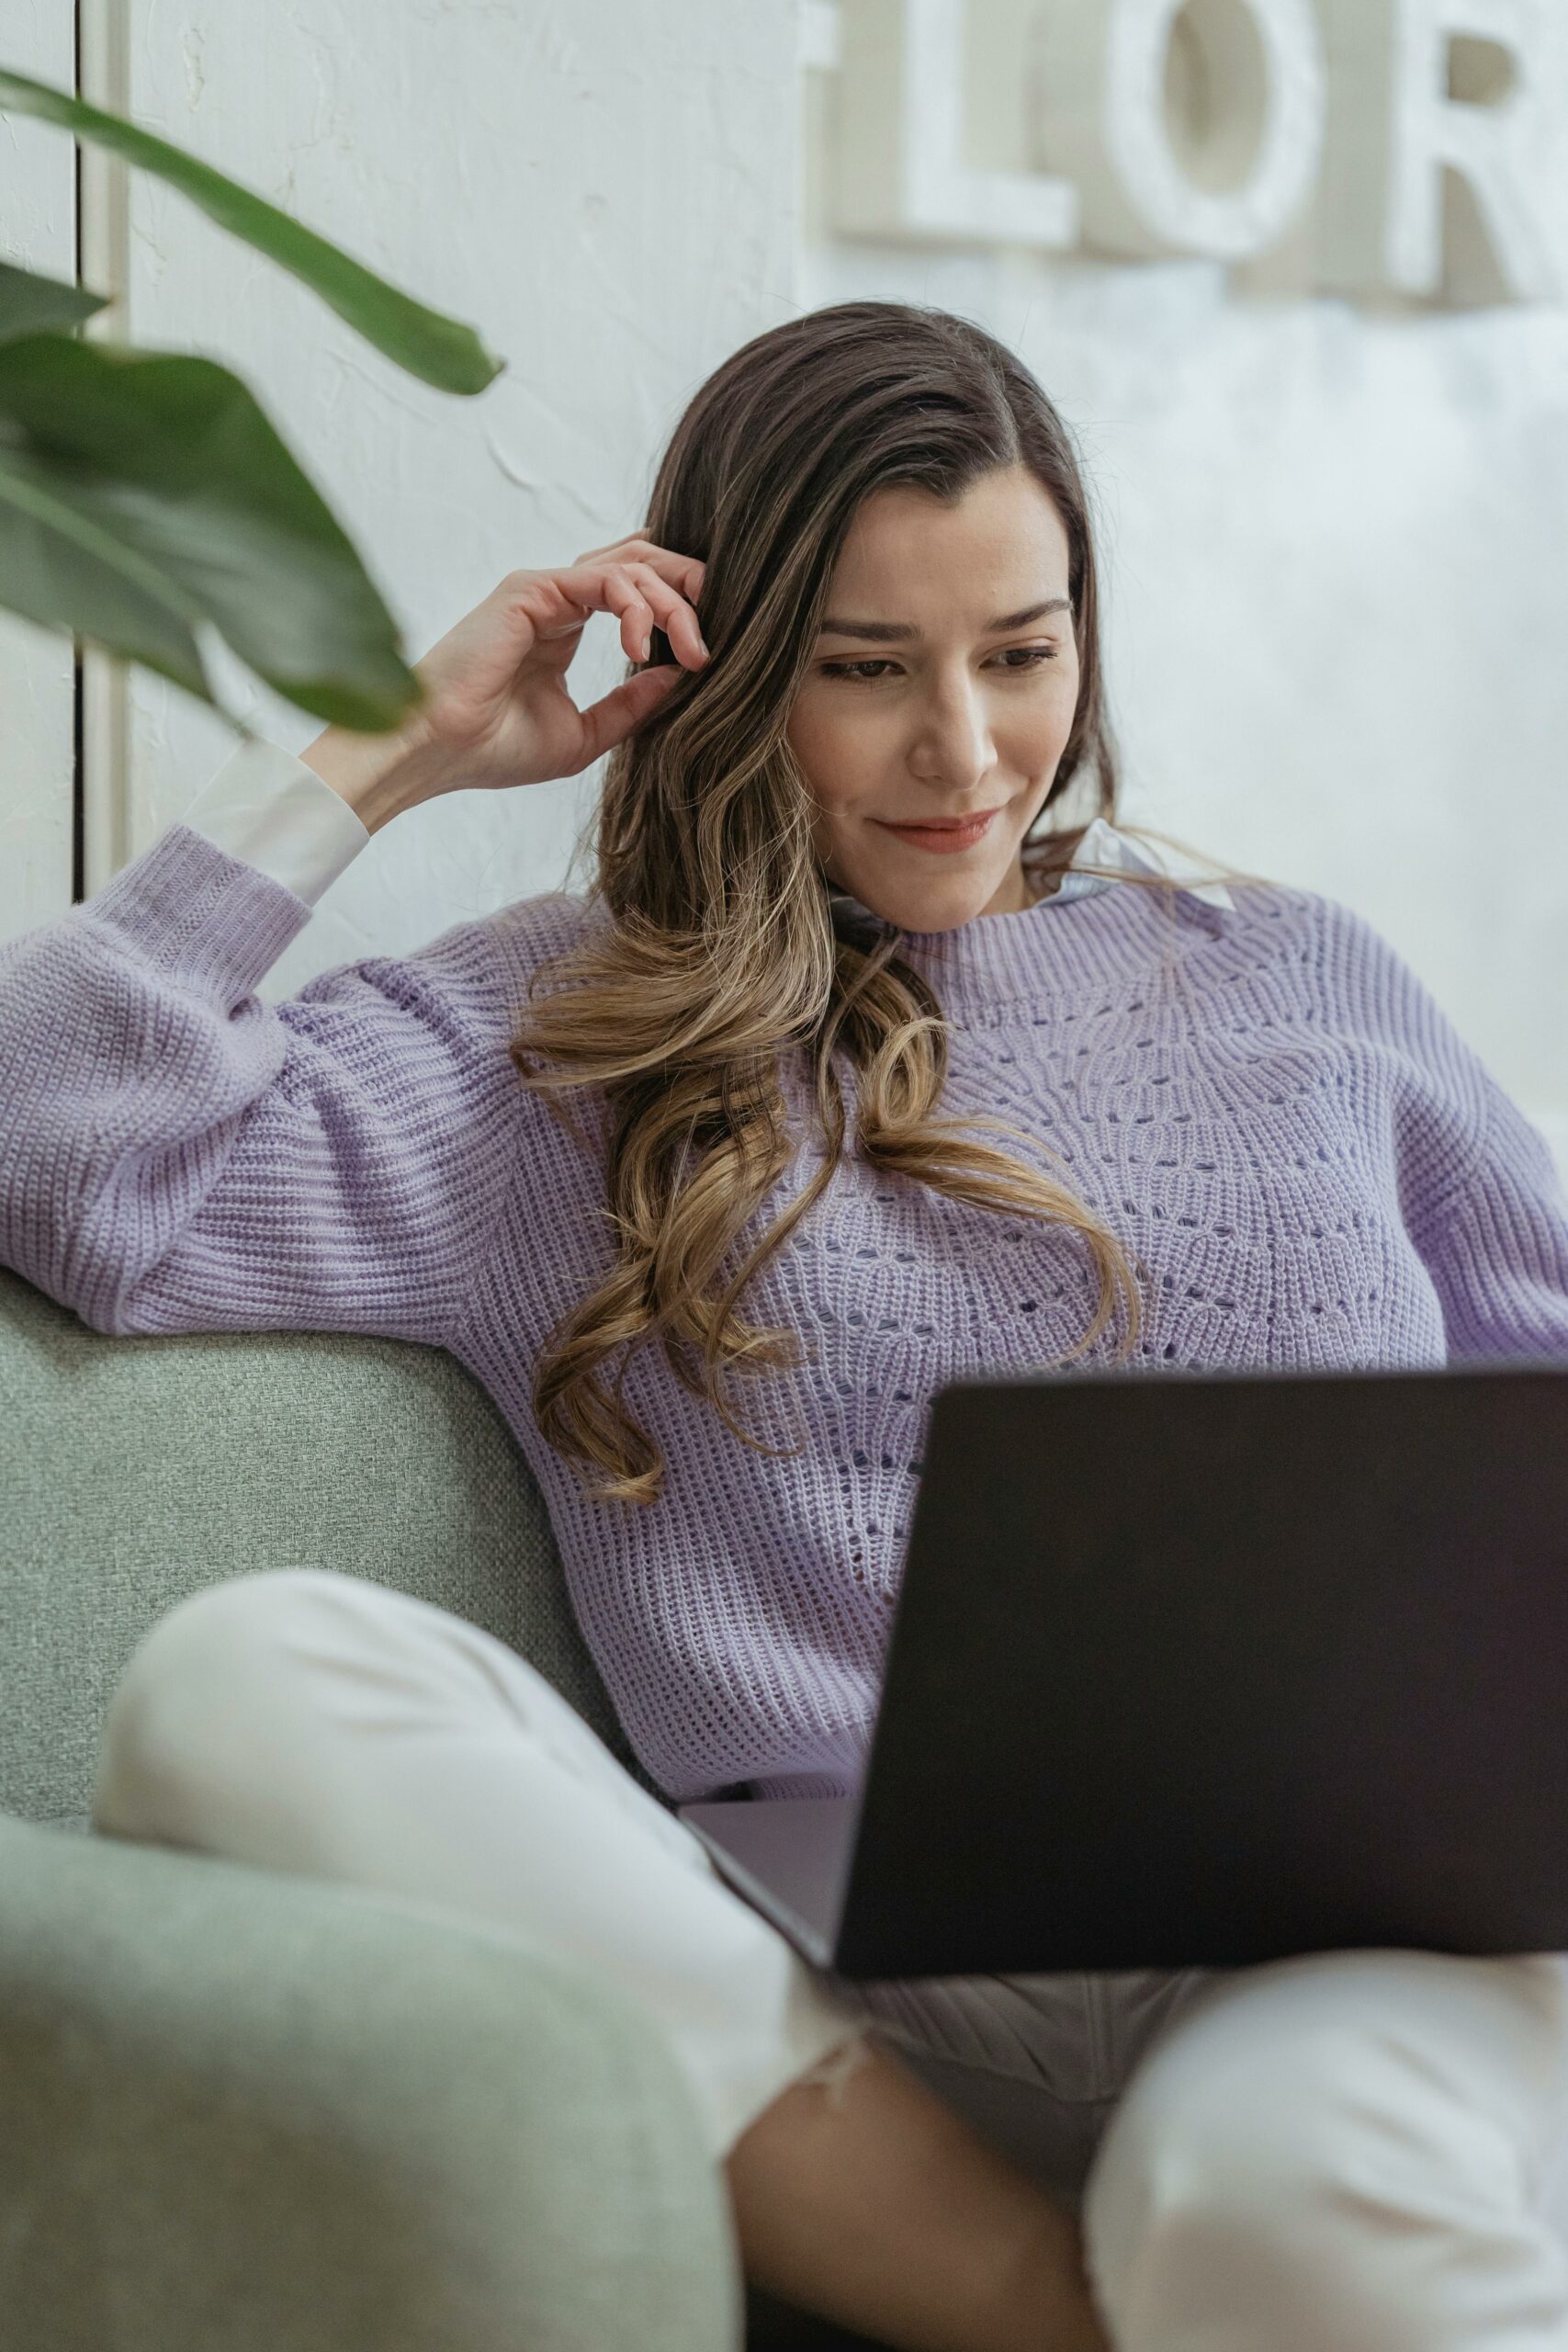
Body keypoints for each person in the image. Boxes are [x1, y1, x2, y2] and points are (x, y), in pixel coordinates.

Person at [3, 299, 1568, 2352]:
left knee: (1287, 2201)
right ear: (723, 676)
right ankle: (1030, 2303)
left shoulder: (1299, 985)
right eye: (863, 671)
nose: (967, 749)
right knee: (242, 1673)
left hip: (1336, 1956)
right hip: (836, 2008)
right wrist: (384, 744)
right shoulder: (544, 1053)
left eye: (1020, 649)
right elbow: (57, 1142)